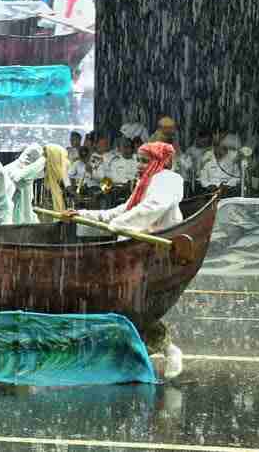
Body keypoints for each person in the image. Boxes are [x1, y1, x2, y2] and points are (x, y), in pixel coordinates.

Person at [63, 142, 185, 379]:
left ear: (160, 162)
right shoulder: (146, 182)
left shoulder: (168, 180)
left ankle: (168, 351)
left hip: (153, 256)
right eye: (138, 161)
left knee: (134, 306)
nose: (139, 166)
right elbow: (122, 211)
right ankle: (142, 355)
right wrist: (82, 215)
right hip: (134, 252)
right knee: (127, 306)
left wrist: (118, 225)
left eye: (144, 161)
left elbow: (150, 209)